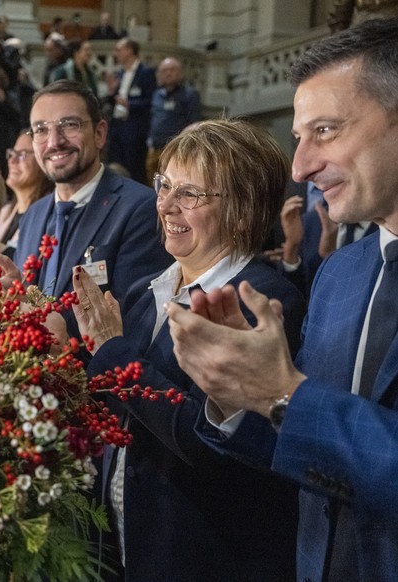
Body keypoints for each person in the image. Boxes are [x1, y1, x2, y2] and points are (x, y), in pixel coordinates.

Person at [164, 17, 398, 581]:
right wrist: (237, 395)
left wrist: (282, 392)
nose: (300, 166)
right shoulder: (339, 273)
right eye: (299, 137)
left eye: (326, 131)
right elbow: (307, 451)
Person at [71, 119, 302, 580]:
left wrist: (111, 349)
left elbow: (211, 444)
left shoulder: (263, 302)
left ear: (241, 211)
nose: (165, 205)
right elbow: (118, 398)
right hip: (124, 545)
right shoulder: (144, 290)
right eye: (164, 185)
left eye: (189, 194)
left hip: (199, 557)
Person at [14, 80, 170, 310]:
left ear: (99, 134)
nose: (54, 142)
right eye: (41, 130)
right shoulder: (32, 215)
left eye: (69, 125)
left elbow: (134, 315)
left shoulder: (142, 209)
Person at [278, 195, 376, 298]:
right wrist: (292, 245)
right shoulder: (311, 221)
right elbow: (295, 297)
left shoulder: (389, 228)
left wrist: (331, 258)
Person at [105, 38, 157, 184]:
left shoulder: (146, 72)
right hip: (117, 125)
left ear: (129, 50)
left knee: (133, 168)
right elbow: (114, 102)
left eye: (119, 50)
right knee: (115, 165)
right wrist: (110, 93)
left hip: (134, 127)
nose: (116, 53)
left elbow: (151, 99)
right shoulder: (120, 74)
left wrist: (130, 104)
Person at [0, 130, 53, 249]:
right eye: (12, 153)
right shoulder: (4, 212)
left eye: (22, 154)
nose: (12, 161)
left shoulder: (50, 218)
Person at [146, 57, 201, 181]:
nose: (168, 73)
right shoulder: (156, 94)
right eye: (164, 70)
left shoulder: (190, 94)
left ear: (180, 73)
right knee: (152, 185)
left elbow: (194, 123)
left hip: (175, 150)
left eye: (172, 70)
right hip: (154, 148)